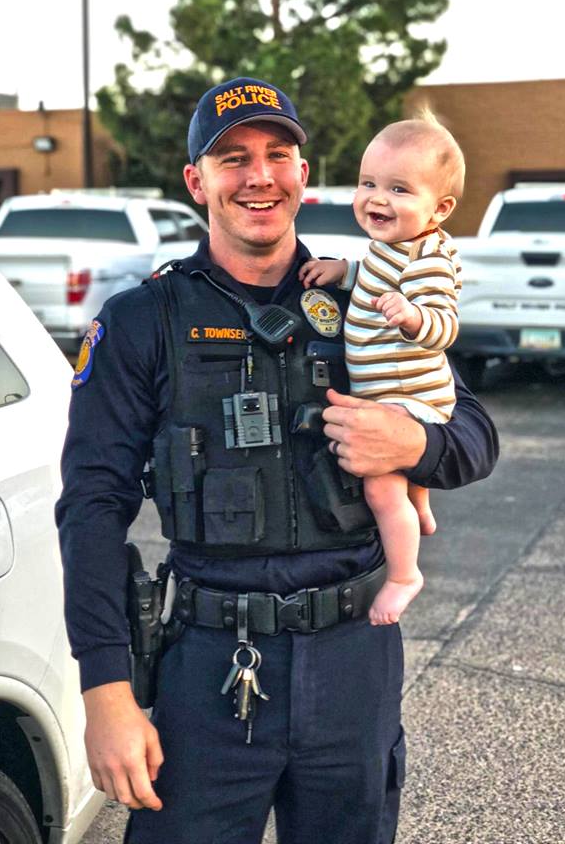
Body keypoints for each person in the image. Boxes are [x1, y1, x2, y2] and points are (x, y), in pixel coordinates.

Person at [56, 76, 499, 844]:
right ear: (197, 182)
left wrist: (416, 444)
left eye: (278, 154)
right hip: (208, 671)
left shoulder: (365, 298)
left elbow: (476, 434)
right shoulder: (142, 321)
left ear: (302, 172)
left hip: (355, 661)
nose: (259, 175)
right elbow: (92, 505)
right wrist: (106, 690)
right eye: (232, 158)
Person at [299, 112, 464, 625]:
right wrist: (340, 271)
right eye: (368, 183)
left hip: (410, 395)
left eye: (398, 188)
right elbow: (369, 275)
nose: (377, 198)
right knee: (402, 483)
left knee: (378, 484)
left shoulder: (429, 261)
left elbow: (445, 328)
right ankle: (420, 508)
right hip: (390, 390)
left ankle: (403, 575)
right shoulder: (386, 251)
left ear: (440, 209)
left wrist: (414, 317)